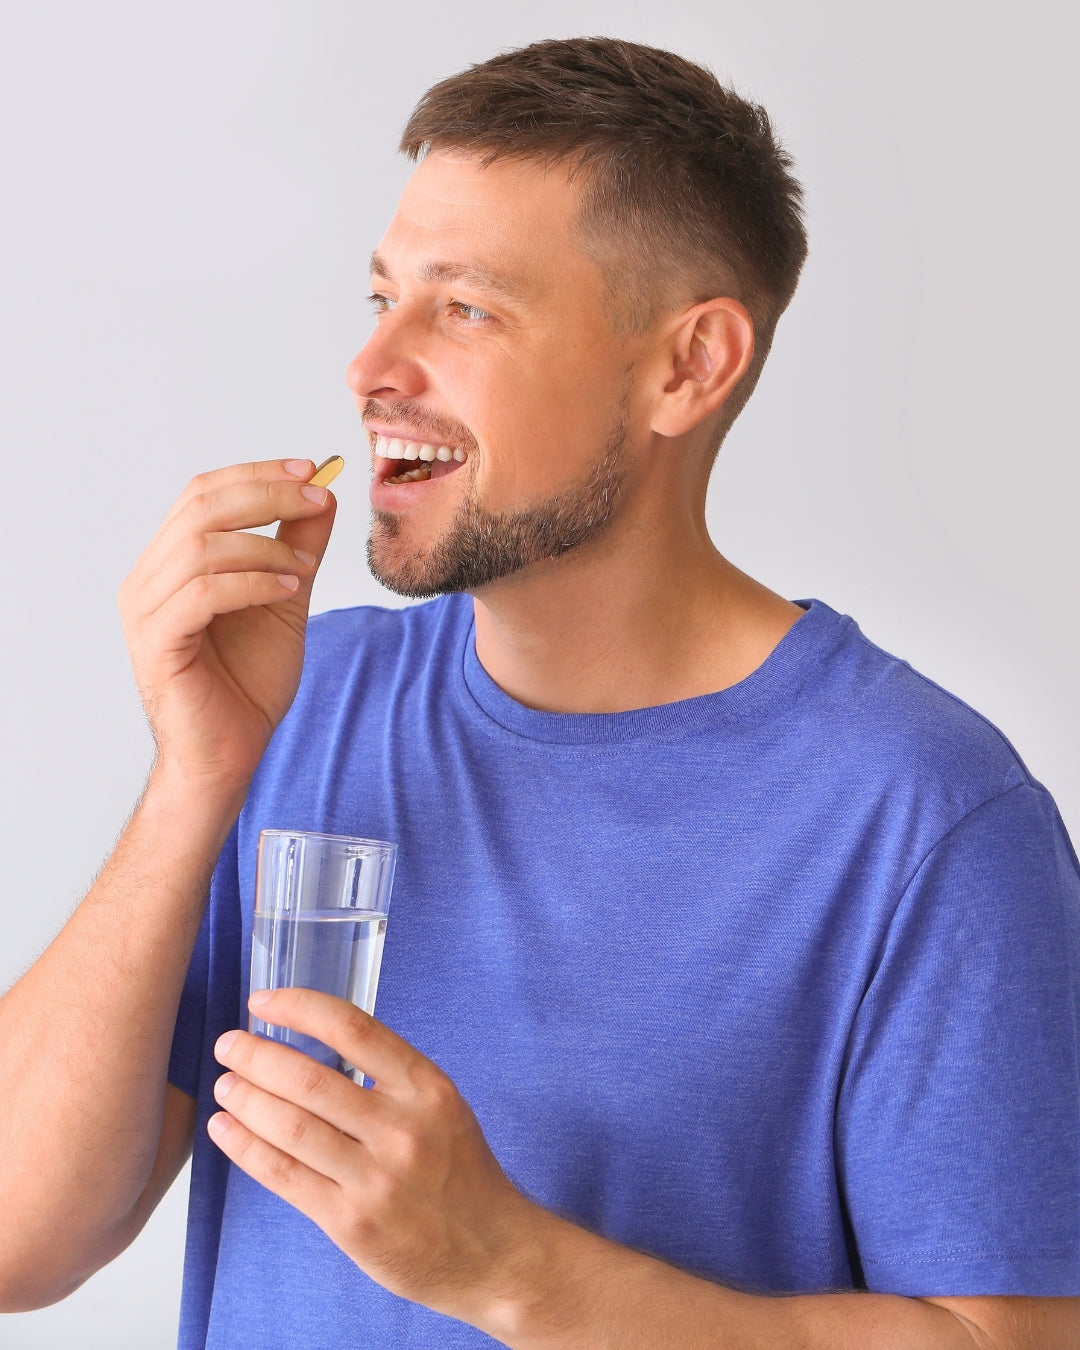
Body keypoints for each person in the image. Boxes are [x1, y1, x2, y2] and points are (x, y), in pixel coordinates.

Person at [1, 35, 1078, 1350]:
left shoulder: (926, 815)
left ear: (689, 366)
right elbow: (14, 1238)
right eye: (381, 296)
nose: (372, 367)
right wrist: (193, 778)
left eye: (464, 307)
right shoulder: (296, 702)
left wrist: (516, 1270)